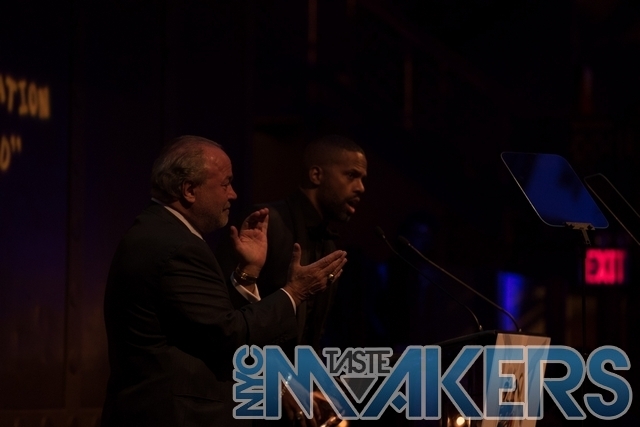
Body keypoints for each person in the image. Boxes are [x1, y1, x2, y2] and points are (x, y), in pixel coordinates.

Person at [100, 135, 347, 427]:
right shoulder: (178, 246)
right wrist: (295, 292)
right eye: (225, 184)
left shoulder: (158, 231)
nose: (233, 194)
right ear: (189, 190)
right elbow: (228, 335)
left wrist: (247, 272)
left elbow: (205, 324)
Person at [216, 134, 367, 425]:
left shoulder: (328, 243)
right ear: (316, 174)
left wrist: (318, 388)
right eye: (351, 175)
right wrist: (274, 383)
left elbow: (310, 334)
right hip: (244, 400)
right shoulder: (265, 222)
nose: (361, 187)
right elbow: (225, 315)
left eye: (362, 178)